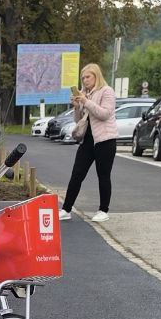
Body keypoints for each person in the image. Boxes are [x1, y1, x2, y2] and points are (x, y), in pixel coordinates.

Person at [59, 63, 117, 223]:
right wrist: (77, 107)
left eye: (88, 77)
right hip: (87, 140)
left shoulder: (107, 91)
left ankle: (103, 210)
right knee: (77, 174)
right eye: (83, 78)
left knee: (103, 175)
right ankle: (66, 209)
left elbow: (105, 114)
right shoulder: (84, 93)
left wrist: (86, 101)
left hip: (105, 140)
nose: (84, 80)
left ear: (96, 76)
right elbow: (78, 121)